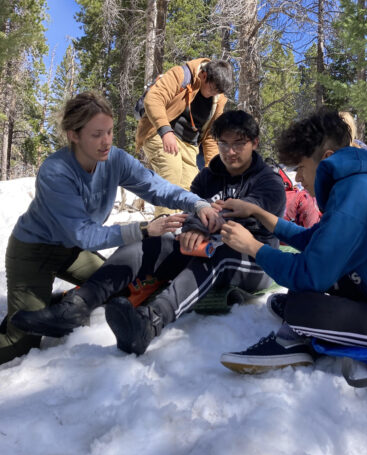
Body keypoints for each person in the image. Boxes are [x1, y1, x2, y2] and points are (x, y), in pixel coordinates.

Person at [13, 110, 286, 357]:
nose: (230, 151)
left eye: (239, 143)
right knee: (151, 243)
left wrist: (206, 222)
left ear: (255, 143)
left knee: (219, 255)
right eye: (224, 144)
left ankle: (150, 322)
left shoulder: (268, 181)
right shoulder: (207, 176)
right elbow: (194, 212)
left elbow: (252, 212)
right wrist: (193, 227)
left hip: (253, 257)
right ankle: (76, 306)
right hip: (40, 245)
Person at [217, 108, 367, 377]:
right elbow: (316, 243)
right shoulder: (358, 185)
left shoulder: (357, 195)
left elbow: (310, 273)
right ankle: (304, 324)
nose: (298, 179)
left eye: (301, 168)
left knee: (304, 308)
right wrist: (258, 213)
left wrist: (254, 247)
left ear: (327, 159)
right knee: (309, 289)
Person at [1, 91, 219, 365]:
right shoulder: (55, 171)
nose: (106, 142)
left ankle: (55, 305)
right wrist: (143, 229)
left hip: (70, 251)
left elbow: (156, 187)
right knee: (19, 345)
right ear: (74, 135)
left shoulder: (115, 160)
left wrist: (197, 204)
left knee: (120, 289)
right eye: (96, 135)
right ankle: (23, 313)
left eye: (109, 132)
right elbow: (84, 234)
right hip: (32, 252)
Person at [136, 58, 234, 216]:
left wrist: (211, 166)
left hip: (190, 144)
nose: (214, 94)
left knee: (192, 190)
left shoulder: (218, 100)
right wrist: (165, 130)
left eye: (218, 91)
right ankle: (163, 233)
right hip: (159, 132)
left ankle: (180, 232)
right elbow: (153, 99)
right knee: (171, 173)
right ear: (203, 75)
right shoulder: (181, 74)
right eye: (212, 89)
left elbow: (211, 135)